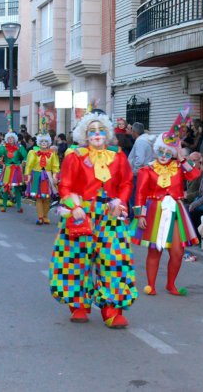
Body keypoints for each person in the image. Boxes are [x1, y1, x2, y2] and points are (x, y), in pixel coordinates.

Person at [50, 112, 137, 328]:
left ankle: (112, 308)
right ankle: (78, 305)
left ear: (107, 134)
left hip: (110, 215)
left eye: (100, 131)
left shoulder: (118, 156)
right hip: (82, 214)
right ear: (85, 135)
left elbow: (126, 182)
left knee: (115, 261)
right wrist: (74, 206)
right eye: (92, 132)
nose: (97, 135)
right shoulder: (75, 156)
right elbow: (65, 185)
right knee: (76, 261)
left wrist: (121, 202)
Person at [132, 110, 201, 296]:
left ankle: (171, 285)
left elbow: (195, 175)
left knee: (178, 251)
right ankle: (151, 285)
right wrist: (140, 215)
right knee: (156, 249)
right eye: (161, 151)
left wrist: (181, 157)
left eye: (167, 152)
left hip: (175, 211)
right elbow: (140, 194)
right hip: (155, 210)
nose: (163, 155)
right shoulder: (148, 169)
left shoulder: (179, 167)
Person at [24, 130, 60, 225]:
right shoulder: (33, 153)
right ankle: (40, 217)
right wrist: (27, 176)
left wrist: (56, 176)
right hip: (37, 176)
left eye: (45, 142)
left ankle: (45, 216)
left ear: (48, 143)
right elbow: (29, 165)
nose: (44, 143)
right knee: (39, 198)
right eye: (42, 142)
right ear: (39, 143)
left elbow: (55, 167)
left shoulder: (52, 154)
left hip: (48, 177)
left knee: (47, 198)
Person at [0, 130, 27, 213]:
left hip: (16, 169)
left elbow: (26, 156)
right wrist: (2, 164)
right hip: (7, 169)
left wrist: (22, 163)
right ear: (6, 139)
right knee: (6, 187)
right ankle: (4, 206)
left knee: (17, 188)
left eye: (12, 138)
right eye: (9, 138)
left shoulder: (19, 147)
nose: (10, 139)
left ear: (15, 139)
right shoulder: (3, 147)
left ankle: (19, 207)